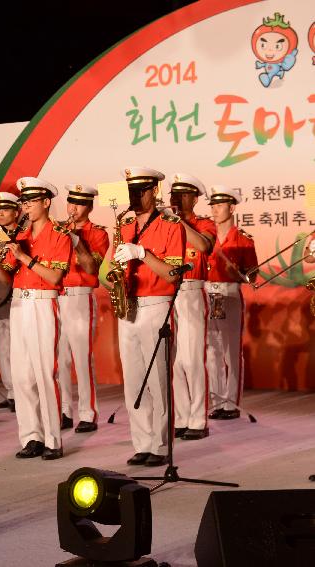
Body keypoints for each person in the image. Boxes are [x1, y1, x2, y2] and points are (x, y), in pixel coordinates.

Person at [113, 167, 185, 467]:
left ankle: (160, 444)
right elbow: (110, 271)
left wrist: (141, 253)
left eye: (140, 191)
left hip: (157, 303)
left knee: (157, 379)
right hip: (128, 305)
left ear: (154, 191)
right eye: (131, 191)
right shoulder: (125, 225)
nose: (135, 196)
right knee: (133, 380)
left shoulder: (171, 225)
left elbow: (172, 275)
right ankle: (141, 442)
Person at [0, 177, 71, 461]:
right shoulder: (20, 236)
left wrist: (24, 258)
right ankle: (31, 437)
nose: (25, 207)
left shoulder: (60, 235)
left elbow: (54, 277)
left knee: (44, 374)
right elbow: (5, 278)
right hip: (18, 304)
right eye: (24, 202)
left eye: (30, 202)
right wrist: (2, 260)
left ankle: (53, 439)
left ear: (46, 202)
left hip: (42, 304)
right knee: (22, 375)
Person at [163, 174, 215, 440]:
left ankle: (198, 419)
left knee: (192, 358)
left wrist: (178, 221)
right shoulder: (163, 224)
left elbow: (203, 245)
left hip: (192, 291)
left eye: (182, 195)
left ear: (194, 198)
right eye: (174, 194)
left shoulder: (204, 223)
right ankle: (182, 417)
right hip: (165, 292)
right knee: (174, 361)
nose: (175, 199)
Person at [56, 184, 109, 433]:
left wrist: (76, 242)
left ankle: (88, 413)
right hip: (57, 296)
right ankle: (65, 410)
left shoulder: (97, 234)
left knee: (81, 358)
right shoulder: (57, 229)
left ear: (88, 207)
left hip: (80, 296)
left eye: (78, 204)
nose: (72, 208)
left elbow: (91, 268)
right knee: (61, 359)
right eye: (70, 203)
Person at [204, 185, 257, 420]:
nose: (214, 210)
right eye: (212, 206)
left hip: (230, 293)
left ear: (231, 207)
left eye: (219, 205)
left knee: (230, 350)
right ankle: (216, 400)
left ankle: (232, 403)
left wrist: (237, 273)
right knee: (211, 349)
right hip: (208, 293)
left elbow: (252, 276)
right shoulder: (206, 237)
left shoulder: (242, 239)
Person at [0, 192, 21, 413]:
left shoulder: (22, 235)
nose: (0, 214)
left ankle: (20, 391)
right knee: (2, 347)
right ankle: (11, 392)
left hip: (14, 296)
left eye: (5, 210)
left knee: (17, 348)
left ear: (16, 212)